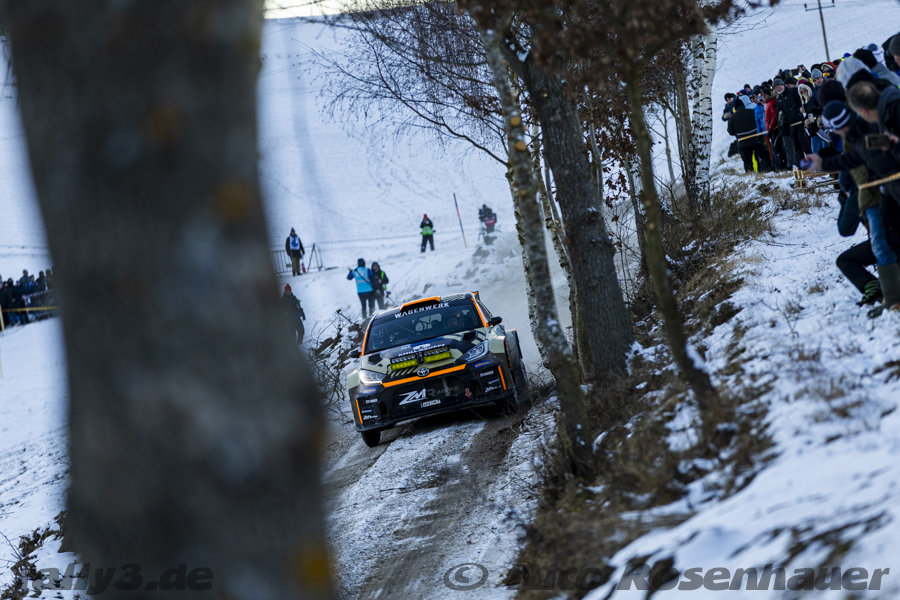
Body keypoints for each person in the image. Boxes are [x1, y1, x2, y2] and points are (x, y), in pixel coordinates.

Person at [728, 95, 772, 173]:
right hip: (755, 139)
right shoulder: (751, 111)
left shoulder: (732, 117)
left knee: (747, 161)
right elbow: (758, 123)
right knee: (764, 154)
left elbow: (730, 132)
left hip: (742, 142)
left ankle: (750, 175)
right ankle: (770, 169)